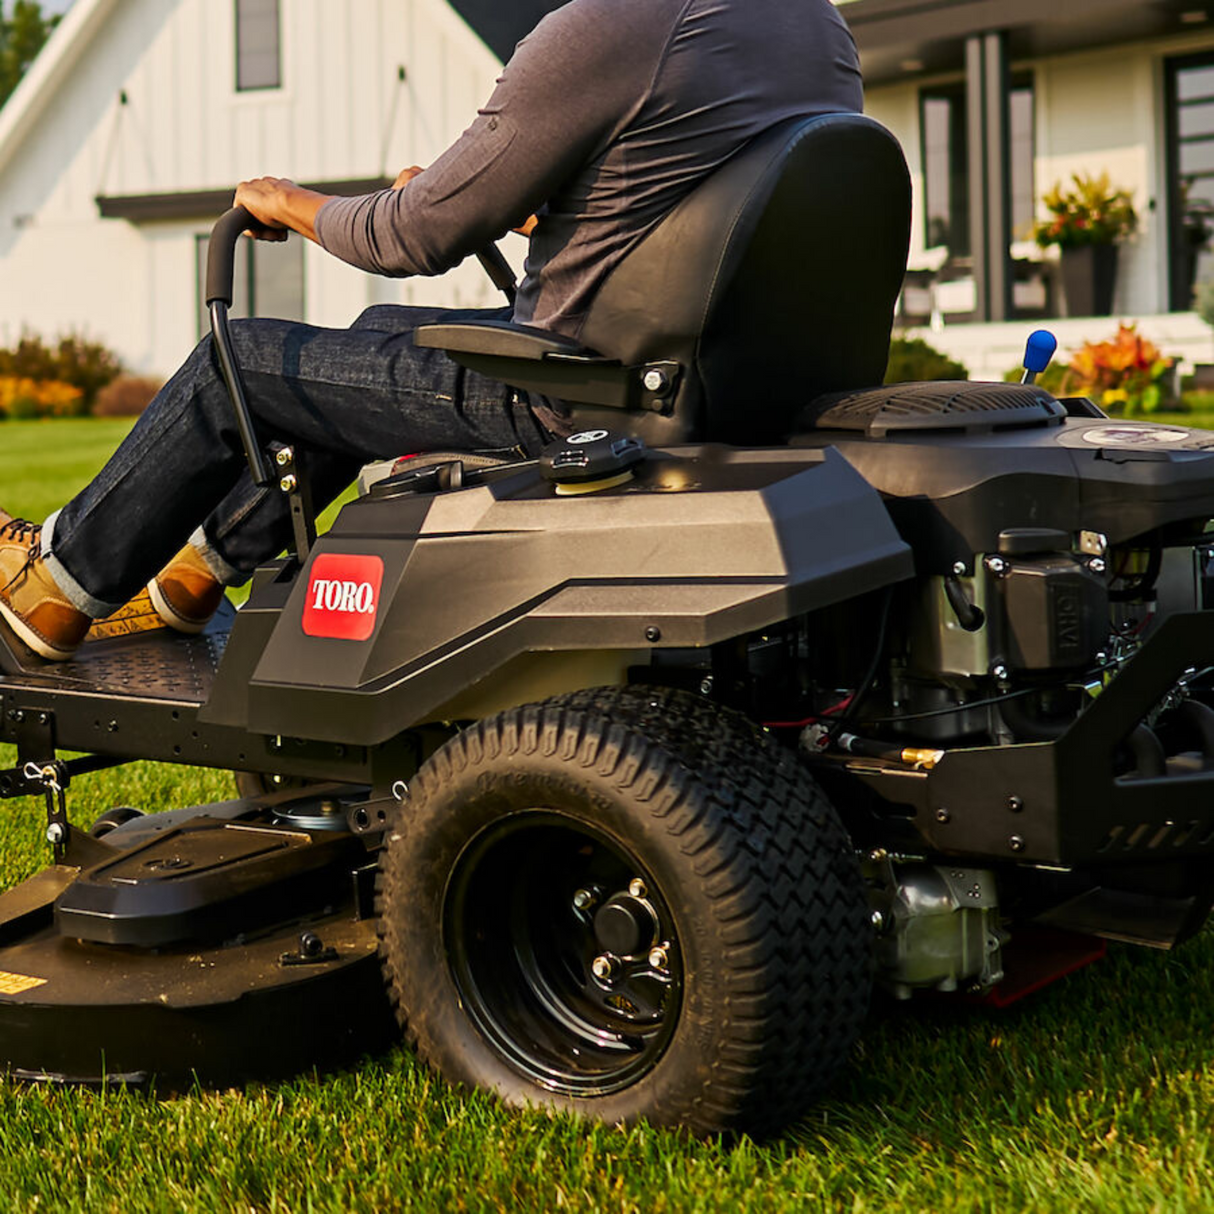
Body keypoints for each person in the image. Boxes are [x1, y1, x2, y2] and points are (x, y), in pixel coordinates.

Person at [0, 0, 862, 661]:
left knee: (242, 362)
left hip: (582, 391)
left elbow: (413, 234)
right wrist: (526, 215)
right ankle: (197, 574)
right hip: (716, 377)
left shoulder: (611, 26)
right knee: (375, 336)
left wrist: (286, 203)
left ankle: (56, 581)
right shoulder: (813, 25)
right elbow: (697, 212)